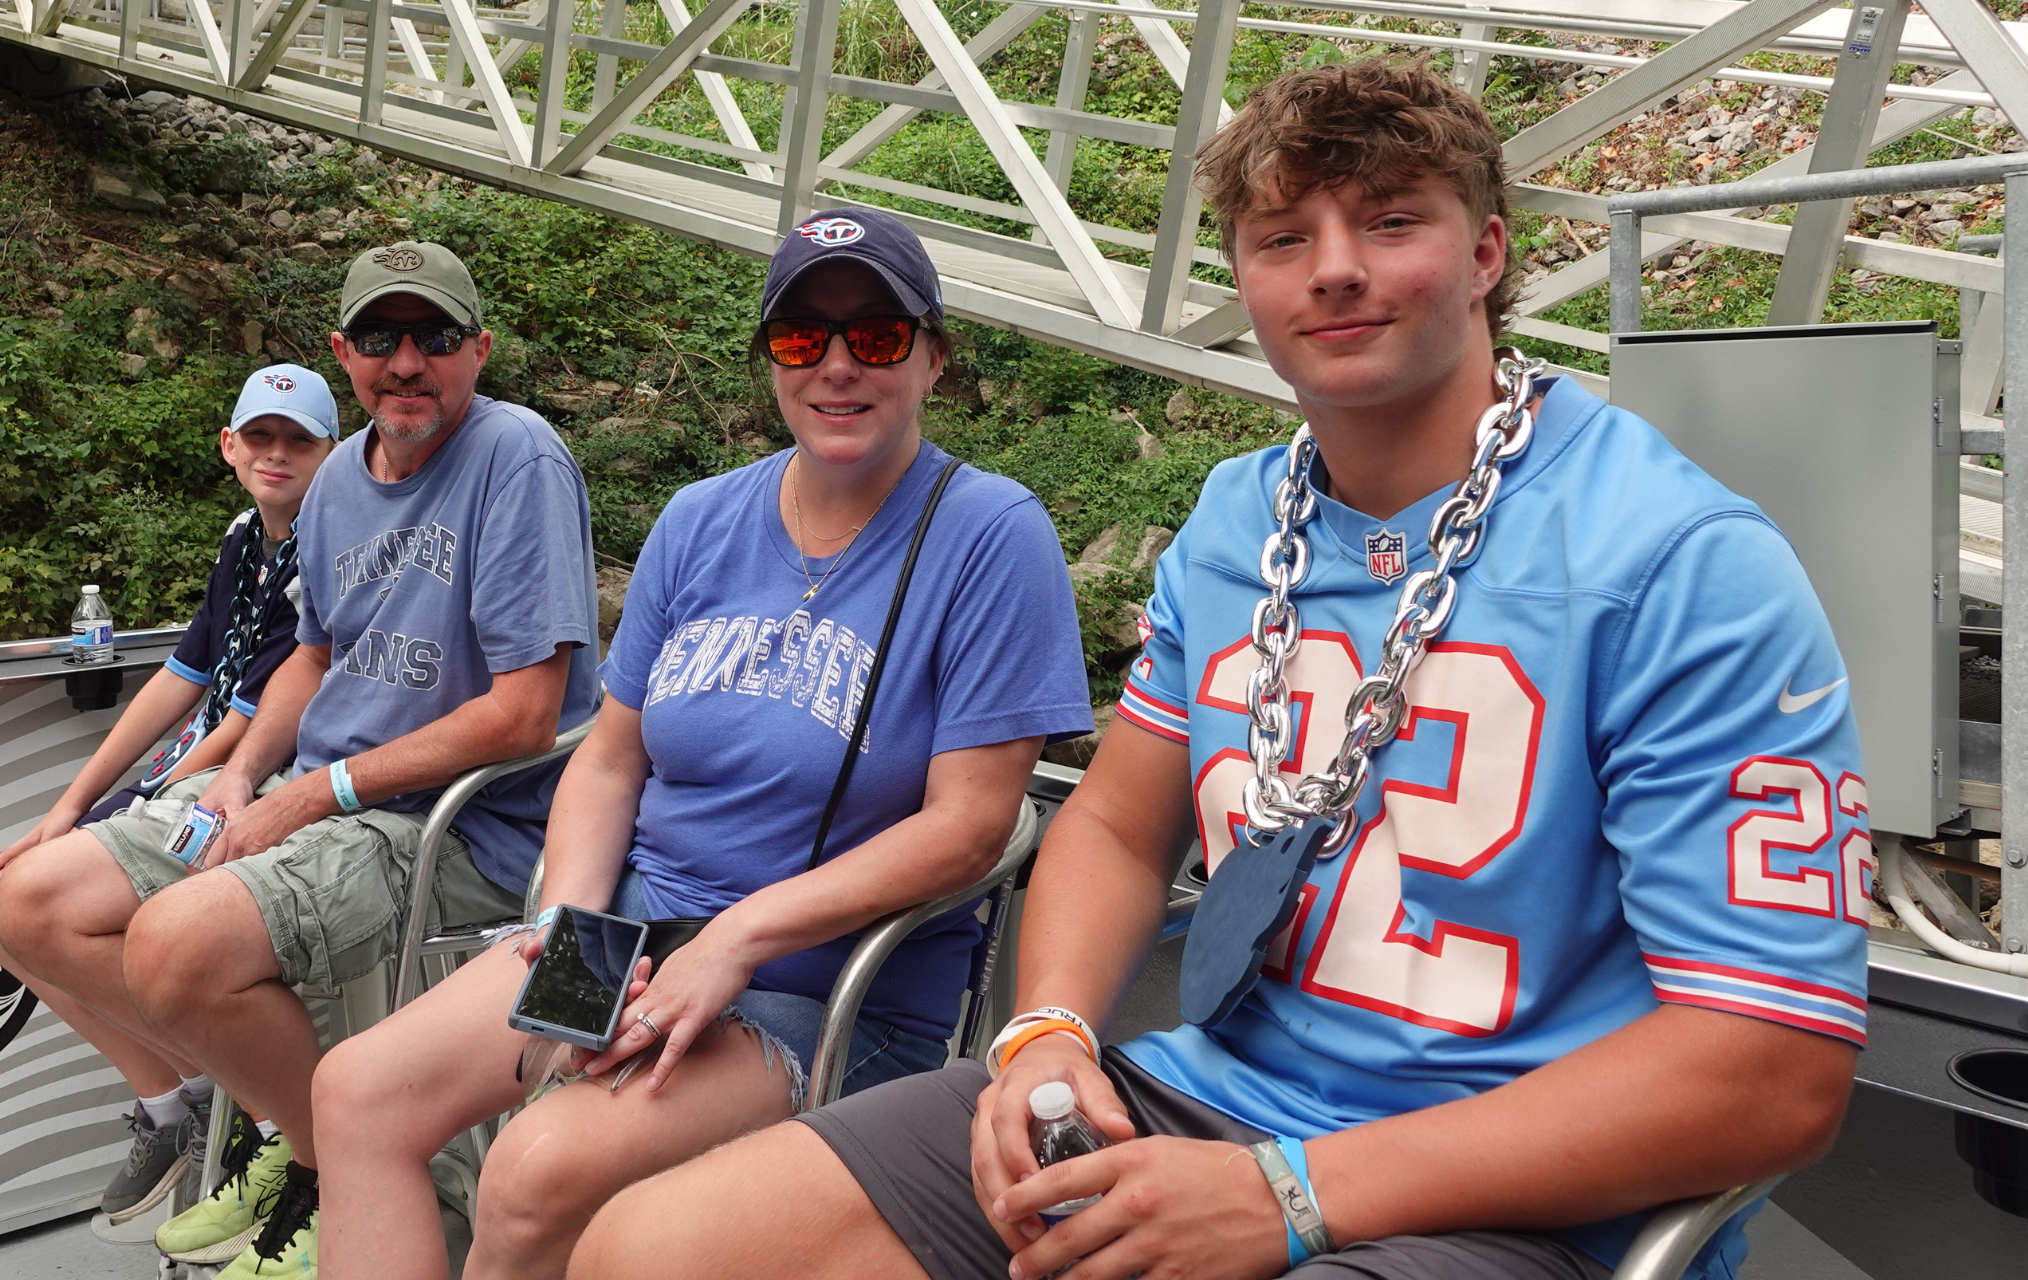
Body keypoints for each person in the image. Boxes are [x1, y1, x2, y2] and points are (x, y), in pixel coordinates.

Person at [575, 60, 1869, 1280]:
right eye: (1284, 238)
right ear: (1243, 278)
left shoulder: (1681, 560)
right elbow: (1120, 829)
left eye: (1390, 222)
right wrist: (1047, 1034)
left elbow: (1771, 1068)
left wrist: (1293, 1195)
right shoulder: (1239, 522)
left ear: (1486, 254)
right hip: (1207, 1101)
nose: (1339, 272)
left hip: (1522, 1195)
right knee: (649, 1249)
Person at [300, 207, 1093, 1280]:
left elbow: (971, 824)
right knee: (355, 1090)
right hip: (634, 933)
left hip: (826, 986)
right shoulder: (699, 519)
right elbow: (612, 756)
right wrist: (567, 929)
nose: (839, 366)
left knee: (533, 1163)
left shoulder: (992, 534)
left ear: (934, 356)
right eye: (803, 338)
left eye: (879, 336)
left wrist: (740, 938)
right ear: (771, 359)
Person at [0, 240, 601, 1278]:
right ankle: (313, 1145)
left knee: (175, 949)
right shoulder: (341, 479)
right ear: (342, 352)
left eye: (434, 336)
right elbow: (313, 653)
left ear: (477, 350)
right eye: (379, 338)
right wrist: (236, 775)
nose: (407, 361)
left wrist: (314, 790)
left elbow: (527, 715)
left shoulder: (516, 456)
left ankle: (331, 1164)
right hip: (310, 787)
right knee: (27, 903)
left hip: (443, 820)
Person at [0, 364, 337, 1224]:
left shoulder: (331, 546)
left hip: (249, 773)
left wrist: (159, 791)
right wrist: (74, 801)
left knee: (41, 906)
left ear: (335, 453)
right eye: (261, 437)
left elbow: (258, 711)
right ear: (230, 446)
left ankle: (264, 1108)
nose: (277, 455)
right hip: (195, 768)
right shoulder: (243, 537)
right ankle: (178, 1106)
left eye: (299, 441)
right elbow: (184, 675)